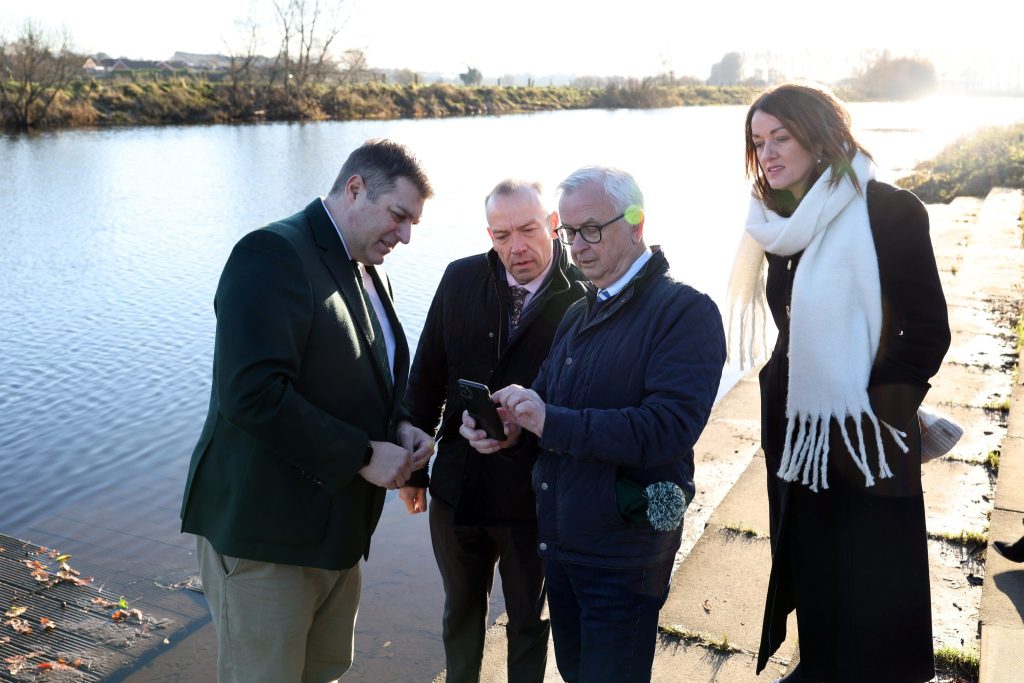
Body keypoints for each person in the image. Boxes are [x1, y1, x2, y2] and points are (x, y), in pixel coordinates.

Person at [179, 139, 436, 682]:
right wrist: (364, 454)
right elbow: (251, 393)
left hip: (334, 534)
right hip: (266, 537)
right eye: (398, 216)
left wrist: (403, 424)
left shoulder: (368, 266)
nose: (406, 235)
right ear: (355, 188)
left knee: (322, 673)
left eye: (412, 222)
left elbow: (368, 375)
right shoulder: (272, 253)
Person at [462, 166, 727, 683]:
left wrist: (549, 419)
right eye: (568, 232)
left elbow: (667, 429)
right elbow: (547, 413)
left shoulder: (685, 311)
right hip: (563, 548)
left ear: (636, 223)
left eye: (592, 229)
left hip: (624, 556)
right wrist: (511, 428)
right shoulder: (580, 312)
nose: (577, 246)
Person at [726, 83, 951, 682]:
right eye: (757, 142)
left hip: (867, 428)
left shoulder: (888, 211)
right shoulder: (777, 223)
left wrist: (880, 415)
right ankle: (820, 662)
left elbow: (928, 334)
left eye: (781, 137)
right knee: (809, 556)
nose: (767, 154)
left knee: (876, 573)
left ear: (821, 134)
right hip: (797, 422)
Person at [402, 179, 587, 682]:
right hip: (456, 490)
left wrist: (526, 433)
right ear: (490, 233)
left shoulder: (584, 296)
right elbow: (427, 374)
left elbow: (587, 404)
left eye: (528, 230)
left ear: (553, 224)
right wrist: (414, 473)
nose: (516, 247)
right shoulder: (460, 278)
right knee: (459, 615)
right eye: (502, 235)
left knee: (529, 621)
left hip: (533, 496)